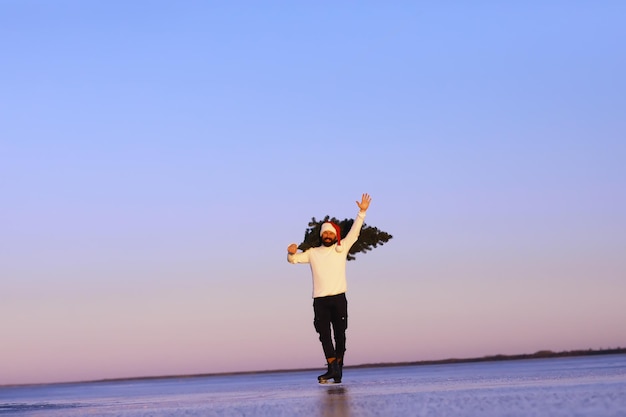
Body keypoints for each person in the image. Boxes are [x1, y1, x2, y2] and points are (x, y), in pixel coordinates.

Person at [287, 193, 372, 383]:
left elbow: (355, 233)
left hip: (339, 298)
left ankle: (338, 368)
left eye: (330, 233)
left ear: (335, 236)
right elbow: (293, 260)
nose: (327, 235)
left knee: (340, 334)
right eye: (324, 233)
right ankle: (332, 367)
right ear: (321, 235)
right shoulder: (313, 253)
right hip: (320, 300)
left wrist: (362, 212)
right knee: (324, 334)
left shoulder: (341, 249)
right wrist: (290, 253)